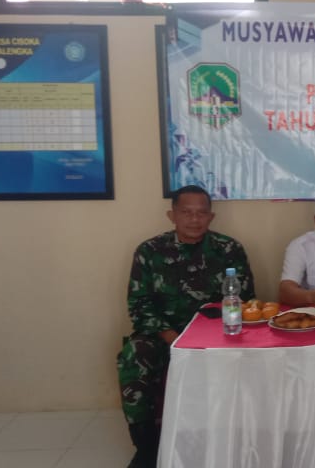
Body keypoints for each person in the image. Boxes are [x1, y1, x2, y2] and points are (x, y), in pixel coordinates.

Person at [117, 185, 254, 468]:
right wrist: (175, 339)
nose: (194, 219)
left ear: (211, 216)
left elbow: (245, 301)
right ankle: (147, 448)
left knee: (251, 355)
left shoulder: (229, 250)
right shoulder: (149, 251)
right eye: (186, 212)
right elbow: (139, 307)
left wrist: (207, 340)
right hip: (164, 335)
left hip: (215, 337)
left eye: (201, 213)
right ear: (172, 215)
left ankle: (233, 439)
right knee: (134, 354)